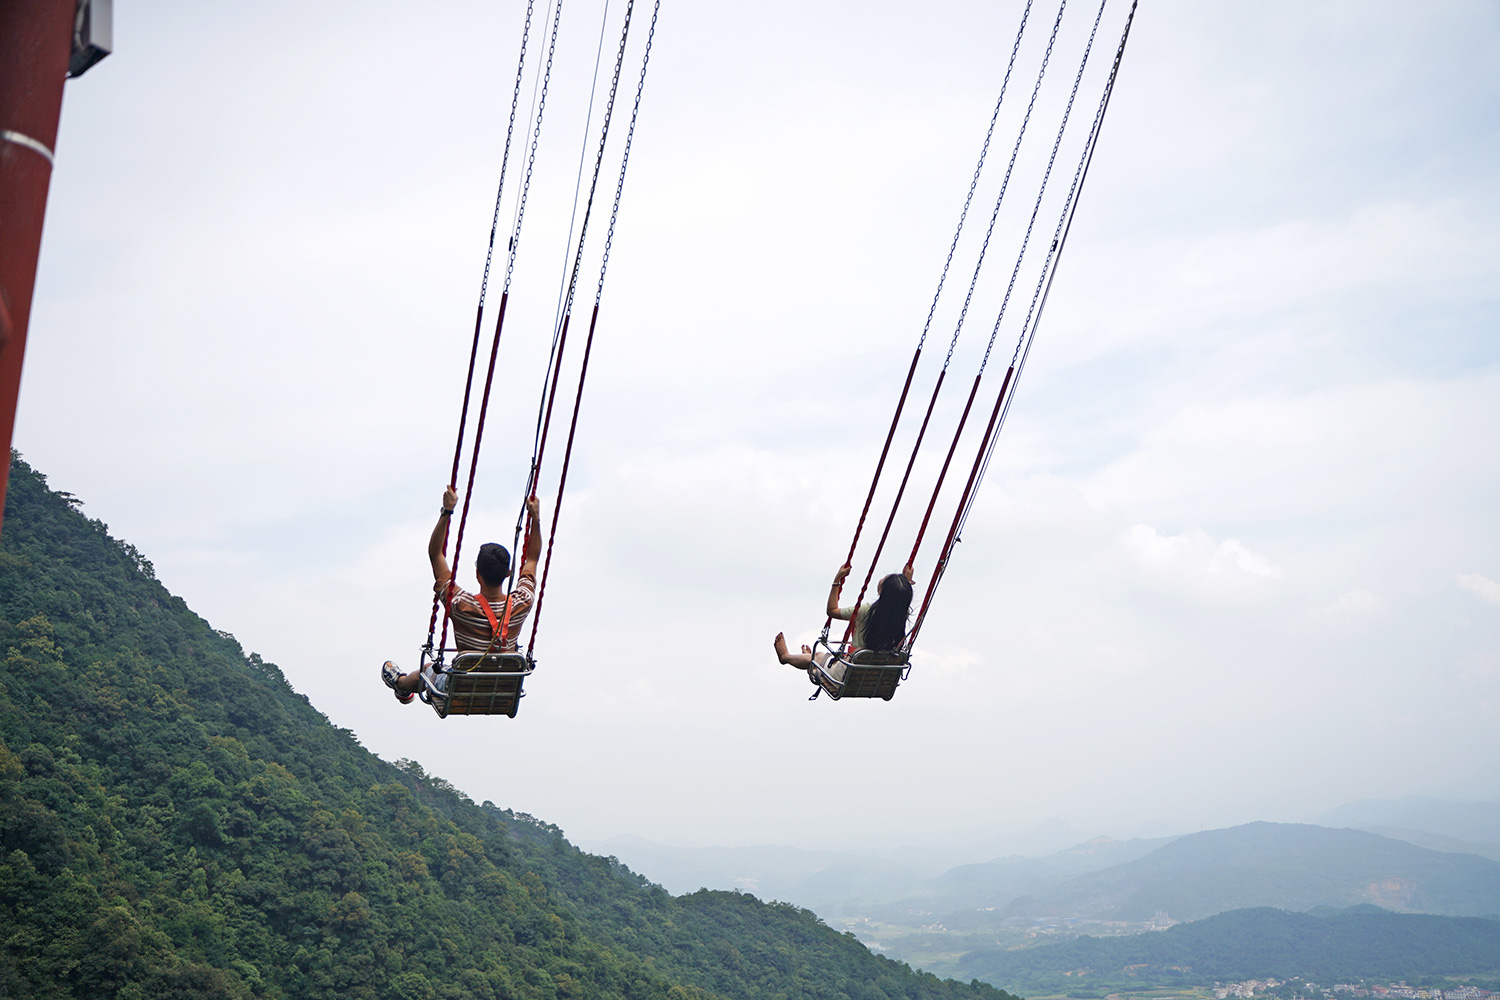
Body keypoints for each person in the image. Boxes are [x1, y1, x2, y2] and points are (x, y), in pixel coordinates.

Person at [381, 485, 543, 703]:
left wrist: (447, 511)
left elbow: (435, 554)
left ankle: (401, 685)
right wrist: (536, 519)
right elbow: (532, 559)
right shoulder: (522, 602)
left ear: (477, 573)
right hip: (504, 688)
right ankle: (403, 685)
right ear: (509, 573)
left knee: (429, 670)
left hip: (460, 688)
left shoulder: (460, 604)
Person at [773, 562, 914, 681]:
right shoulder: (901, 615)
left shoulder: (864, 611)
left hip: (849, 673)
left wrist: (837, 580)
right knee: (821, 658)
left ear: (882, 592)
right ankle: (814, 665)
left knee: (817, 656)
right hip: (879, 676)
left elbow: (832, 610)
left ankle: (788, 658)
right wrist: (906, 582)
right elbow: (900, 599)